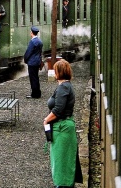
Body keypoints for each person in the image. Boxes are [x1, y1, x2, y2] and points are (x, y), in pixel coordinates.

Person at [43, 59, 82, 188]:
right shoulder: (66, 86)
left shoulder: (64, 87)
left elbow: (58, 109)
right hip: (63, 128)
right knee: (64, 161)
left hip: (62, 128)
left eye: (55, 70)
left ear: (59, 72)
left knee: (61, 162)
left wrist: (46, 120)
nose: (54, 73)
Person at [23, 26, 43, 98]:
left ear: (31, 33)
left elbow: (28, 52)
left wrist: (25, 59)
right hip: (37, 62)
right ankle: (38, 93)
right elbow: (40, 53)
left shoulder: (32, 42)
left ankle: (35, 94)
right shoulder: (39, 41)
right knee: (36, 78)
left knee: (33, 79)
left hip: (32, 62)